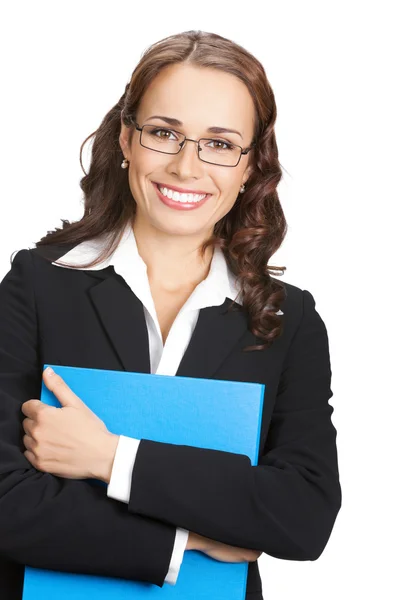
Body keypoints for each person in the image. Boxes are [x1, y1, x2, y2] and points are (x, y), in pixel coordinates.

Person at [0, 30, 341, 600]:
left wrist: (112, 458)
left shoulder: (290, 321)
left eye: (220, 143)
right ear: (127, 139)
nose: (187, 167)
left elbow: (302, 517)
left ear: (250, 165)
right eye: (164, 134)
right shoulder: (36, 285)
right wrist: (191, 538)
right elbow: (6, 502)